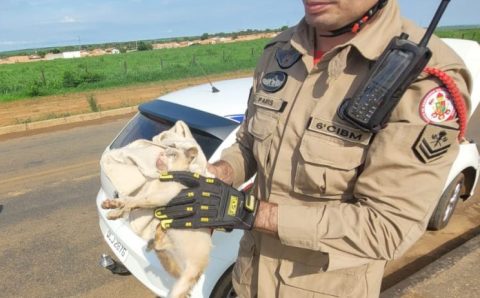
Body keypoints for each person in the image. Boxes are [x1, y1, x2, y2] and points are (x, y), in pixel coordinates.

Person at [157, 0, 472, 297]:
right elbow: (250, 142)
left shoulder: (423, 79)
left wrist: (245, 211)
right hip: (248, 280)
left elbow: (386, 227)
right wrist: (217, 174)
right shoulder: (280, 52)